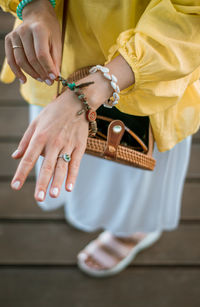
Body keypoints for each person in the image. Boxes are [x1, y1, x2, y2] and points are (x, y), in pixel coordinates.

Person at [0, 0, 199, 278]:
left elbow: (190, 16)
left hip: (144, 67)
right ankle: (91, 207)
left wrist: (91, 91)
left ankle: (129, 229)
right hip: (61, 47)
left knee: (132, 165)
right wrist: (35, 7)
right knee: (66, 149)